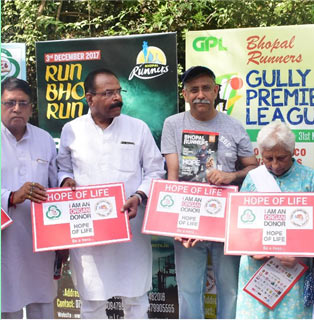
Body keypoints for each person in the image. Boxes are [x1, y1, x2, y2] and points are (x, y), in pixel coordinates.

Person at [57, 68, 165, 319]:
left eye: (118, 91)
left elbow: (155, 170)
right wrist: (66, 180)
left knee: (136, 299)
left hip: (130, 225)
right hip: (88, 229)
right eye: (108, 93)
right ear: (89, 98)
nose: (117, 98)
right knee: (92, 300)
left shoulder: (138, 128)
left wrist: (138, 195)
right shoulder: (72, 130)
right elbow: (62, 167)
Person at [161, 66, 258, 319]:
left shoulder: (234, 127)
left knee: (231, 289)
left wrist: (230, 176)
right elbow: (172, 174)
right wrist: (176, 223)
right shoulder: (173, 124)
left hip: (226, 221)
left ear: (216, 91)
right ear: (185, 94)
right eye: (194, 90)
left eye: (206, 88)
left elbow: (253, 168)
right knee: (189, 289)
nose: (200, 94)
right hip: (188, 219)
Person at [236, 121, 314, 319]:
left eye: (282, 158)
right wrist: (252, 250)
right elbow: (241, 223)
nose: (275, 165)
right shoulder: (253, 178)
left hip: (293, 271)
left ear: (293, 152)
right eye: (268, 158)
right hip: (256, 271)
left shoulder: (309, 179)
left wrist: (302, 256)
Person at [1, 77, 58, 319]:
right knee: (8, 306)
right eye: (9, 102)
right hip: (5, 242)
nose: (16, 108)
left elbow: (55, 185)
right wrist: (12, 197)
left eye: (23, 103)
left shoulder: (44, 139)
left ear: (31, 108)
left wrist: (62, 243)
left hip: (40, 243)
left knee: (43, 305)